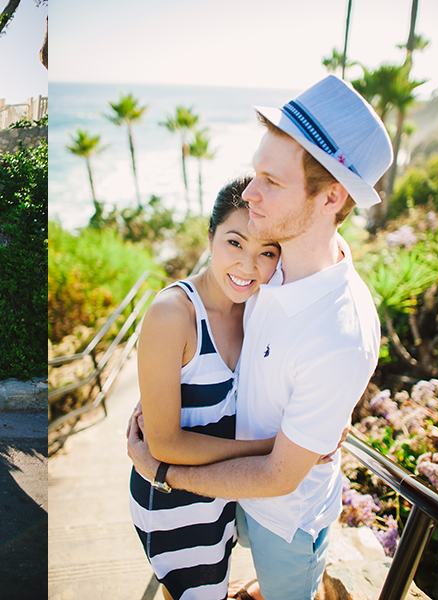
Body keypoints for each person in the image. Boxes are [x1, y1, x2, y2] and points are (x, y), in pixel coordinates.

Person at [128, 74, 392, 600]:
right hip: (225, 493)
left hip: (283, 517)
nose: (249, 193)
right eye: (255, 173)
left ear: (331, 196)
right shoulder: (269, 265)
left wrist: (164, 472)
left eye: (271, 180)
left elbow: (278, 476)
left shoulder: (340, 333)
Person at [129, 175, 280, 600]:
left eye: (266, 252)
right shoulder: (172, 313)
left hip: (223, 492)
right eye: (235, 243)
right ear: (210, 236)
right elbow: (164, 444)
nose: (248, 267)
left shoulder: (257, 309)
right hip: (174, 501)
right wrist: (273, 449)